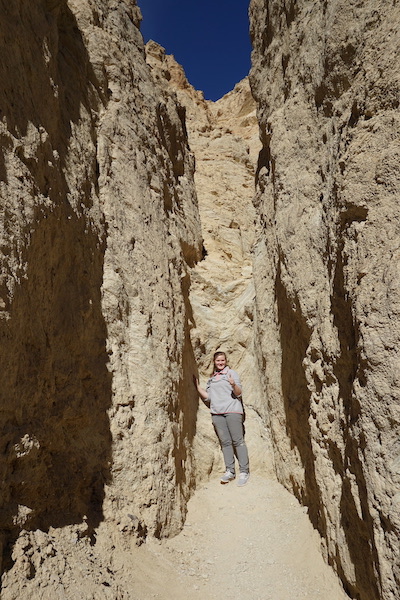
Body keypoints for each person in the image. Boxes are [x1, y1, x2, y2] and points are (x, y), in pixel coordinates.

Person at [194, 351, 250, 486]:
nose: (220, 363)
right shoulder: (212, 378)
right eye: (218, 361)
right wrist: (197, 387)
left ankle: (244, 471)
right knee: (225, 443)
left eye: (223, 360)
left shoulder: (231, 373)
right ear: (214, 362)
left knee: (238, 441)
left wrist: (233, 384)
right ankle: (230, 471)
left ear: (226, 361)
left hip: (232, 411)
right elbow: (208, 397)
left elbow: (239, 393)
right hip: (217, 413)